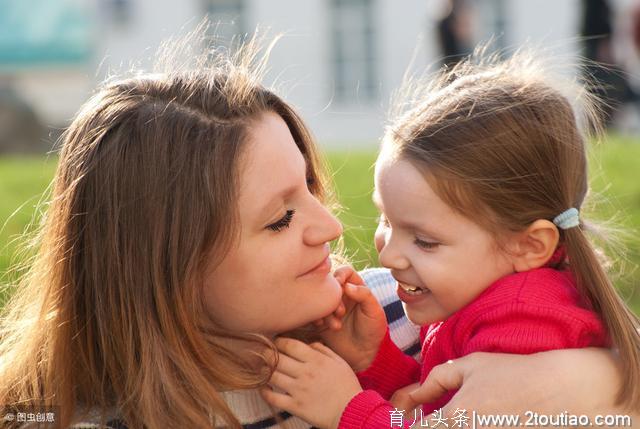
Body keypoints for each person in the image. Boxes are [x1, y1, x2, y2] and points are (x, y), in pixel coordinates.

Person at [0, 30, 633, 429]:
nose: (332, 225)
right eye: (280, 218)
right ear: (162, 266)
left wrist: (583, 382)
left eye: (309, 186)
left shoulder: (403, 302)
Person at [261, 48, 640, 428]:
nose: (389, 255)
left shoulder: (524, 326)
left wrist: (347, 410)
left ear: (529, 245)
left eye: (424, 241)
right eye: (387, 220)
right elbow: (436, 406)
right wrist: (375, 361)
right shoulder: (485, 293)